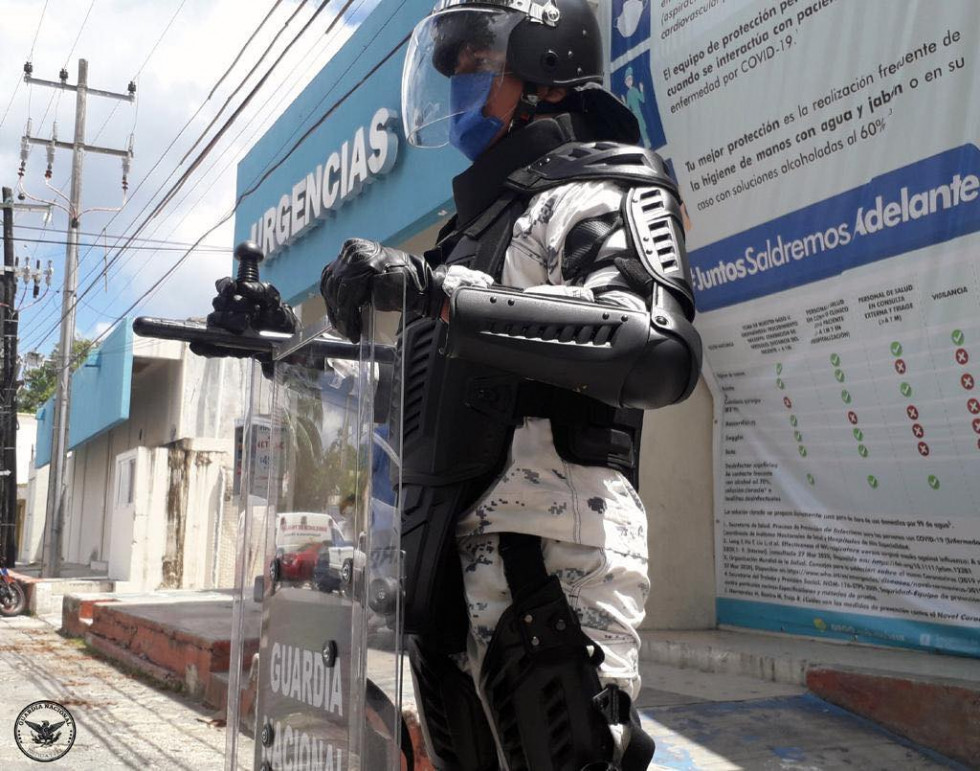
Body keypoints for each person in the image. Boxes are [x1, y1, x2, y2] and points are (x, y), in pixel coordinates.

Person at [203, 1, 701, 768]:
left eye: (475, 63)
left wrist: (439, 294)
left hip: (551, 578)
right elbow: (402, 405)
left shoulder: (599, 189)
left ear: (545, 65)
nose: (459, 82)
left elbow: (655, 344)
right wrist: (282, 350)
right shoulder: (464, 238)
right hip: (439, 582)